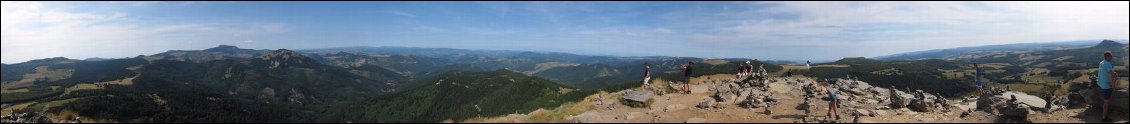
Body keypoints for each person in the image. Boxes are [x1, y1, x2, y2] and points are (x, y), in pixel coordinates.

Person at [1097, 51, 1117, 122]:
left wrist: (1113, 73)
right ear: (1106, 56)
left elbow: (1104, 72)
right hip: (1106, 86)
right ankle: (1104, 118)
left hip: (1101, 84)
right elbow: (1111, 76)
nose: (1112, 57)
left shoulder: (1101, 62)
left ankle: (1104, 115)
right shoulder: (1108, 63)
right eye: (1110, 56)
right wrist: (1113, 85)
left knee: (1105, 101)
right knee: (1106, 103)